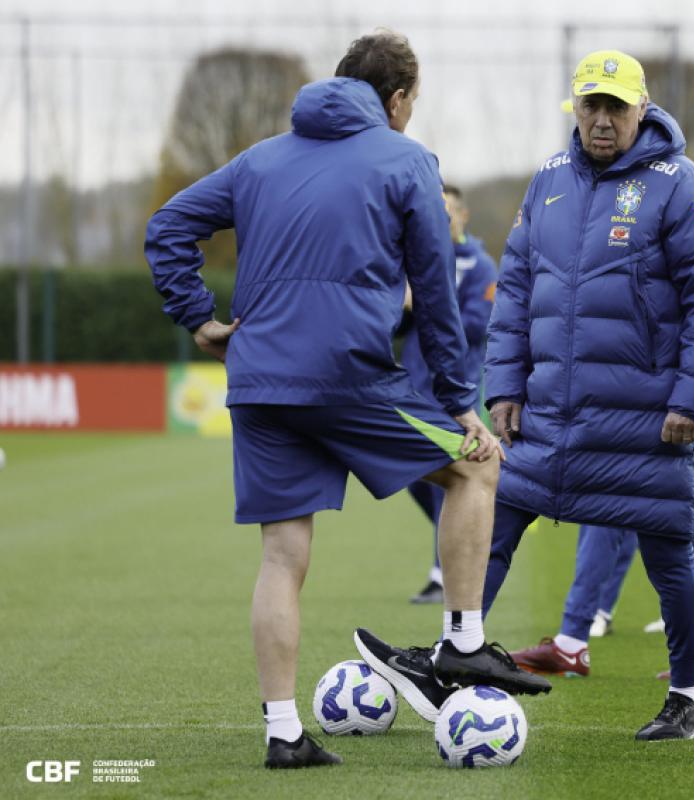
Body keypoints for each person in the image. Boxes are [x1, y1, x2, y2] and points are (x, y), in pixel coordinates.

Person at [145, 30, 548, 771]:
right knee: (476, 467)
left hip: (260, 383)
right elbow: (435, 289)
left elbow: (167, 226)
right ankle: (462, 645)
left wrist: (199, 317)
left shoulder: (260, 160)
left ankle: (283, 734)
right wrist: (461, 402)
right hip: (346, 378)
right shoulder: (407, 160)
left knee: (282, 555)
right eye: (412, 102)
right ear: (396, 99)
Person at [356, 49, 694, 741]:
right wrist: (505, 384)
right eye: (591, 105)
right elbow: (516, 291)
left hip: (644, 420)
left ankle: (688, 699)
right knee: (494, 526)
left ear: (641, 109)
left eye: (615, 107)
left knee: (668, 555)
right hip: (548, 416)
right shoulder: (549, 179)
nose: (602, 119)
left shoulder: (682, 184)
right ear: (576, 108)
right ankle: (453, 655)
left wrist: (692, 401)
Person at [512, 204, 694, 682]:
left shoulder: (671, 185)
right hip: (624, 383)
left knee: (685, 509)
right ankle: (575, 637)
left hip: (663, 385)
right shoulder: (604, 195)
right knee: (616, 504)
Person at [401, 185, 499, 605]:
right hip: (412, 385)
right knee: (413, 478)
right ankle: (460, 537)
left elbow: (478, 326)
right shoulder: (415, 257)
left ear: (463, 214)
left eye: (449, 211)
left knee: (451, 479)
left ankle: (442, 573)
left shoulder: (480, 264)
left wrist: (424, 305)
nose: (441, 219)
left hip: (457, 390)